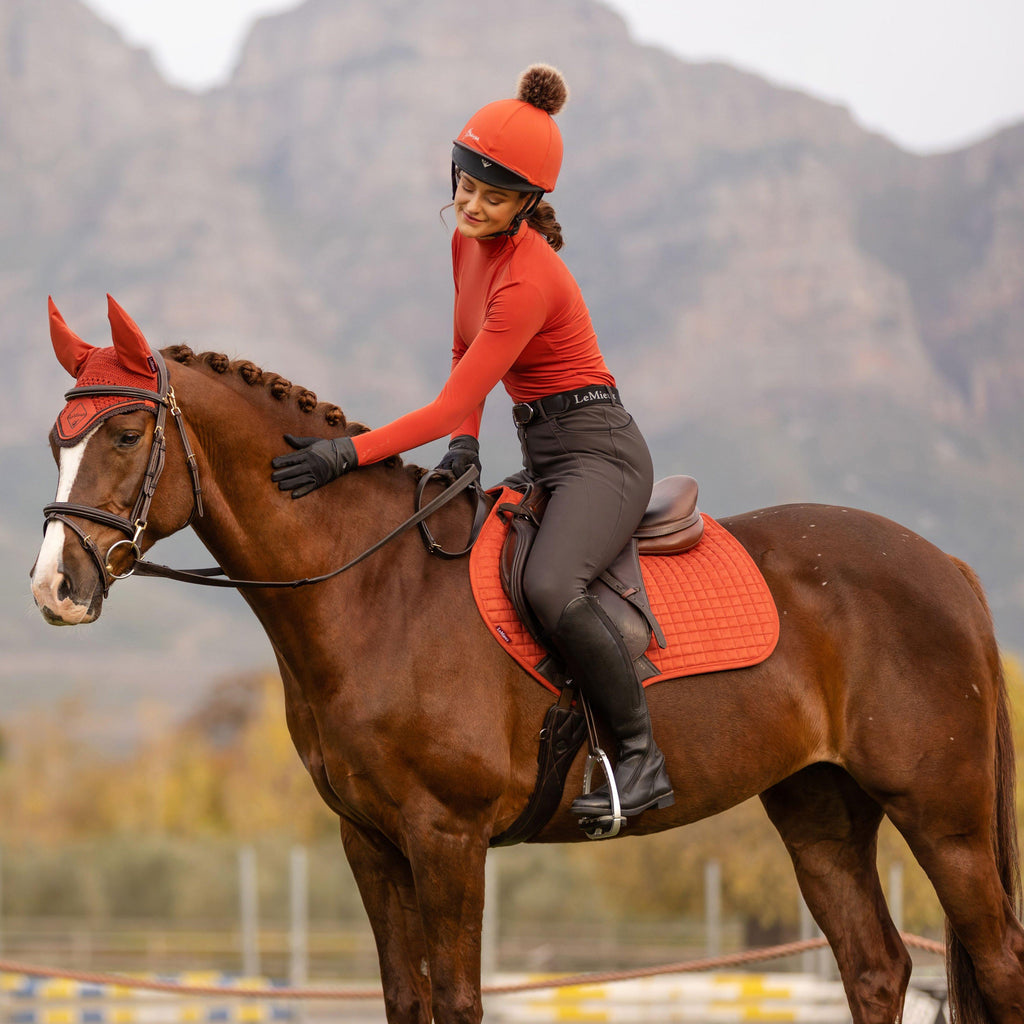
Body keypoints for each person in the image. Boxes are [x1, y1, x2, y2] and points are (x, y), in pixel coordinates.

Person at [271, 65, 673, 819]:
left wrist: (344, 454)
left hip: (602, 456)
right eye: (466, 185)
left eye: (494, 196)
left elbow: (450, 397)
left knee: (550, 585)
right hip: (546, 450)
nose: (472, 204)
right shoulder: (467, 245)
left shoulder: (530, 279)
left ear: (528, 204)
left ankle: (641, 757)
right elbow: (467, 354)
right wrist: (466, 446)